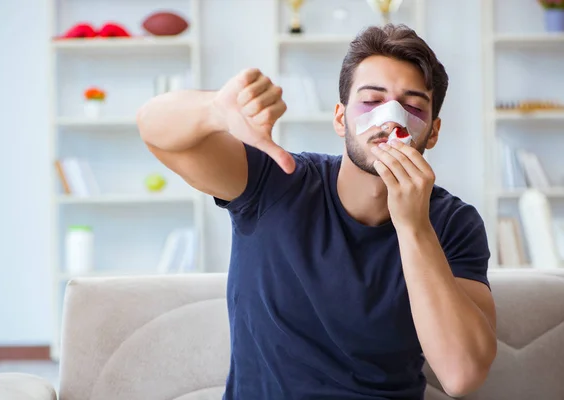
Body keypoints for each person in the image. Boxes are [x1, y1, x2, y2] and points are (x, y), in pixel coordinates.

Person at [137, 24, 497, 400]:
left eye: (412, 106)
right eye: (372, 101)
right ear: (341, 118)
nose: (391, 119)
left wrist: (414, 227)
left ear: (433, 132)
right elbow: (154, 128)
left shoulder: (453, 223)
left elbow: (462, 375)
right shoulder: (275, 181)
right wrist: (214, 111)